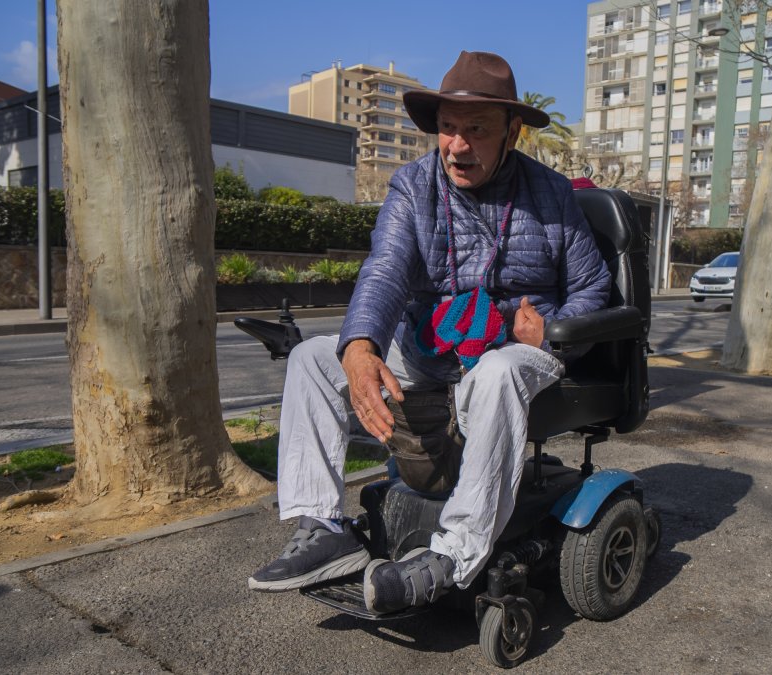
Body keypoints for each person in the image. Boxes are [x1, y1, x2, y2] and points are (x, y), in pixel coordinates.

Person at [248, 51, 611, 615]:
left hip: (520, 353)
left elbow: (594, 286)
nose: (457, 145)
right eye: (447, 128)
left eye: (476, 130)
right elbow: (385, 269)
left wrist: (554, 334)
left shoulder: (553, 194)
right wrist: (361, 345)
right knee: (315, 359)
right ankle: (323, 526)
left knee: (496, 370)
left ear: (512, 133)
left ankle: (455, 554)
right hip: (431, 345)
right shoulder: (412, 187)